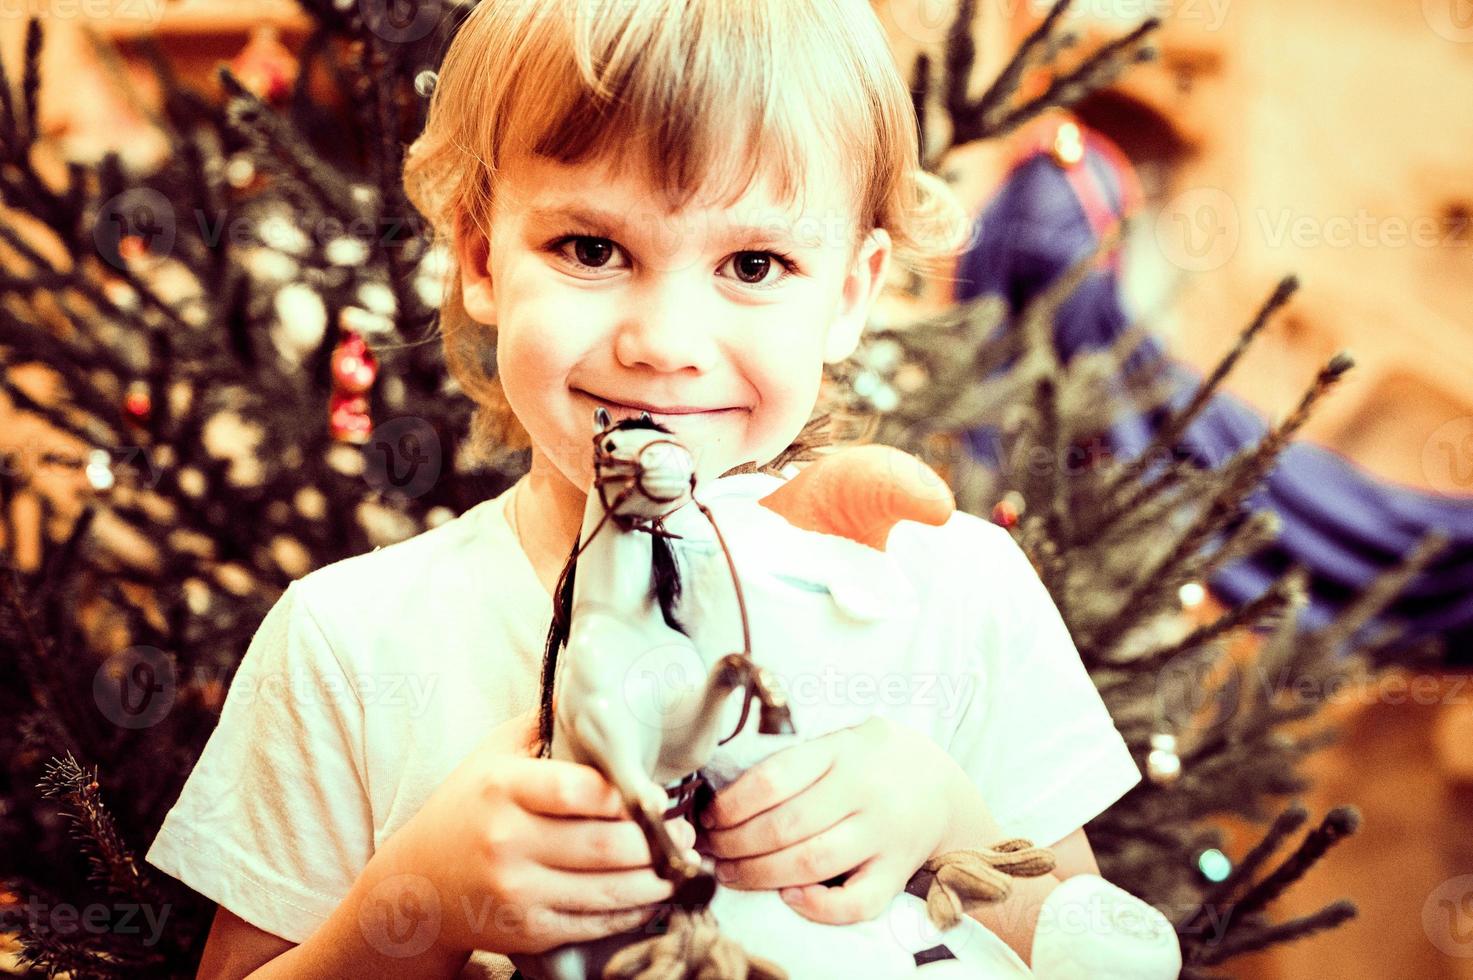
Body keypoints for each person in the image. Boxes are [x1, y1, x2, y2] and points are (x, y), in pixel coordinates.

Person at [145, 1, 1156, 977]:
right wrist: (416, 906)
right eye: (592, 249)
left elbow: (1089, 944)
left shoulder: (953, 586)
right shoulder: (345, 640)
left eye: (753, 262)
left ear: (850, 292)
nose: (663, 345)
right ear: (478, 254)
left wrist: (951, 822)